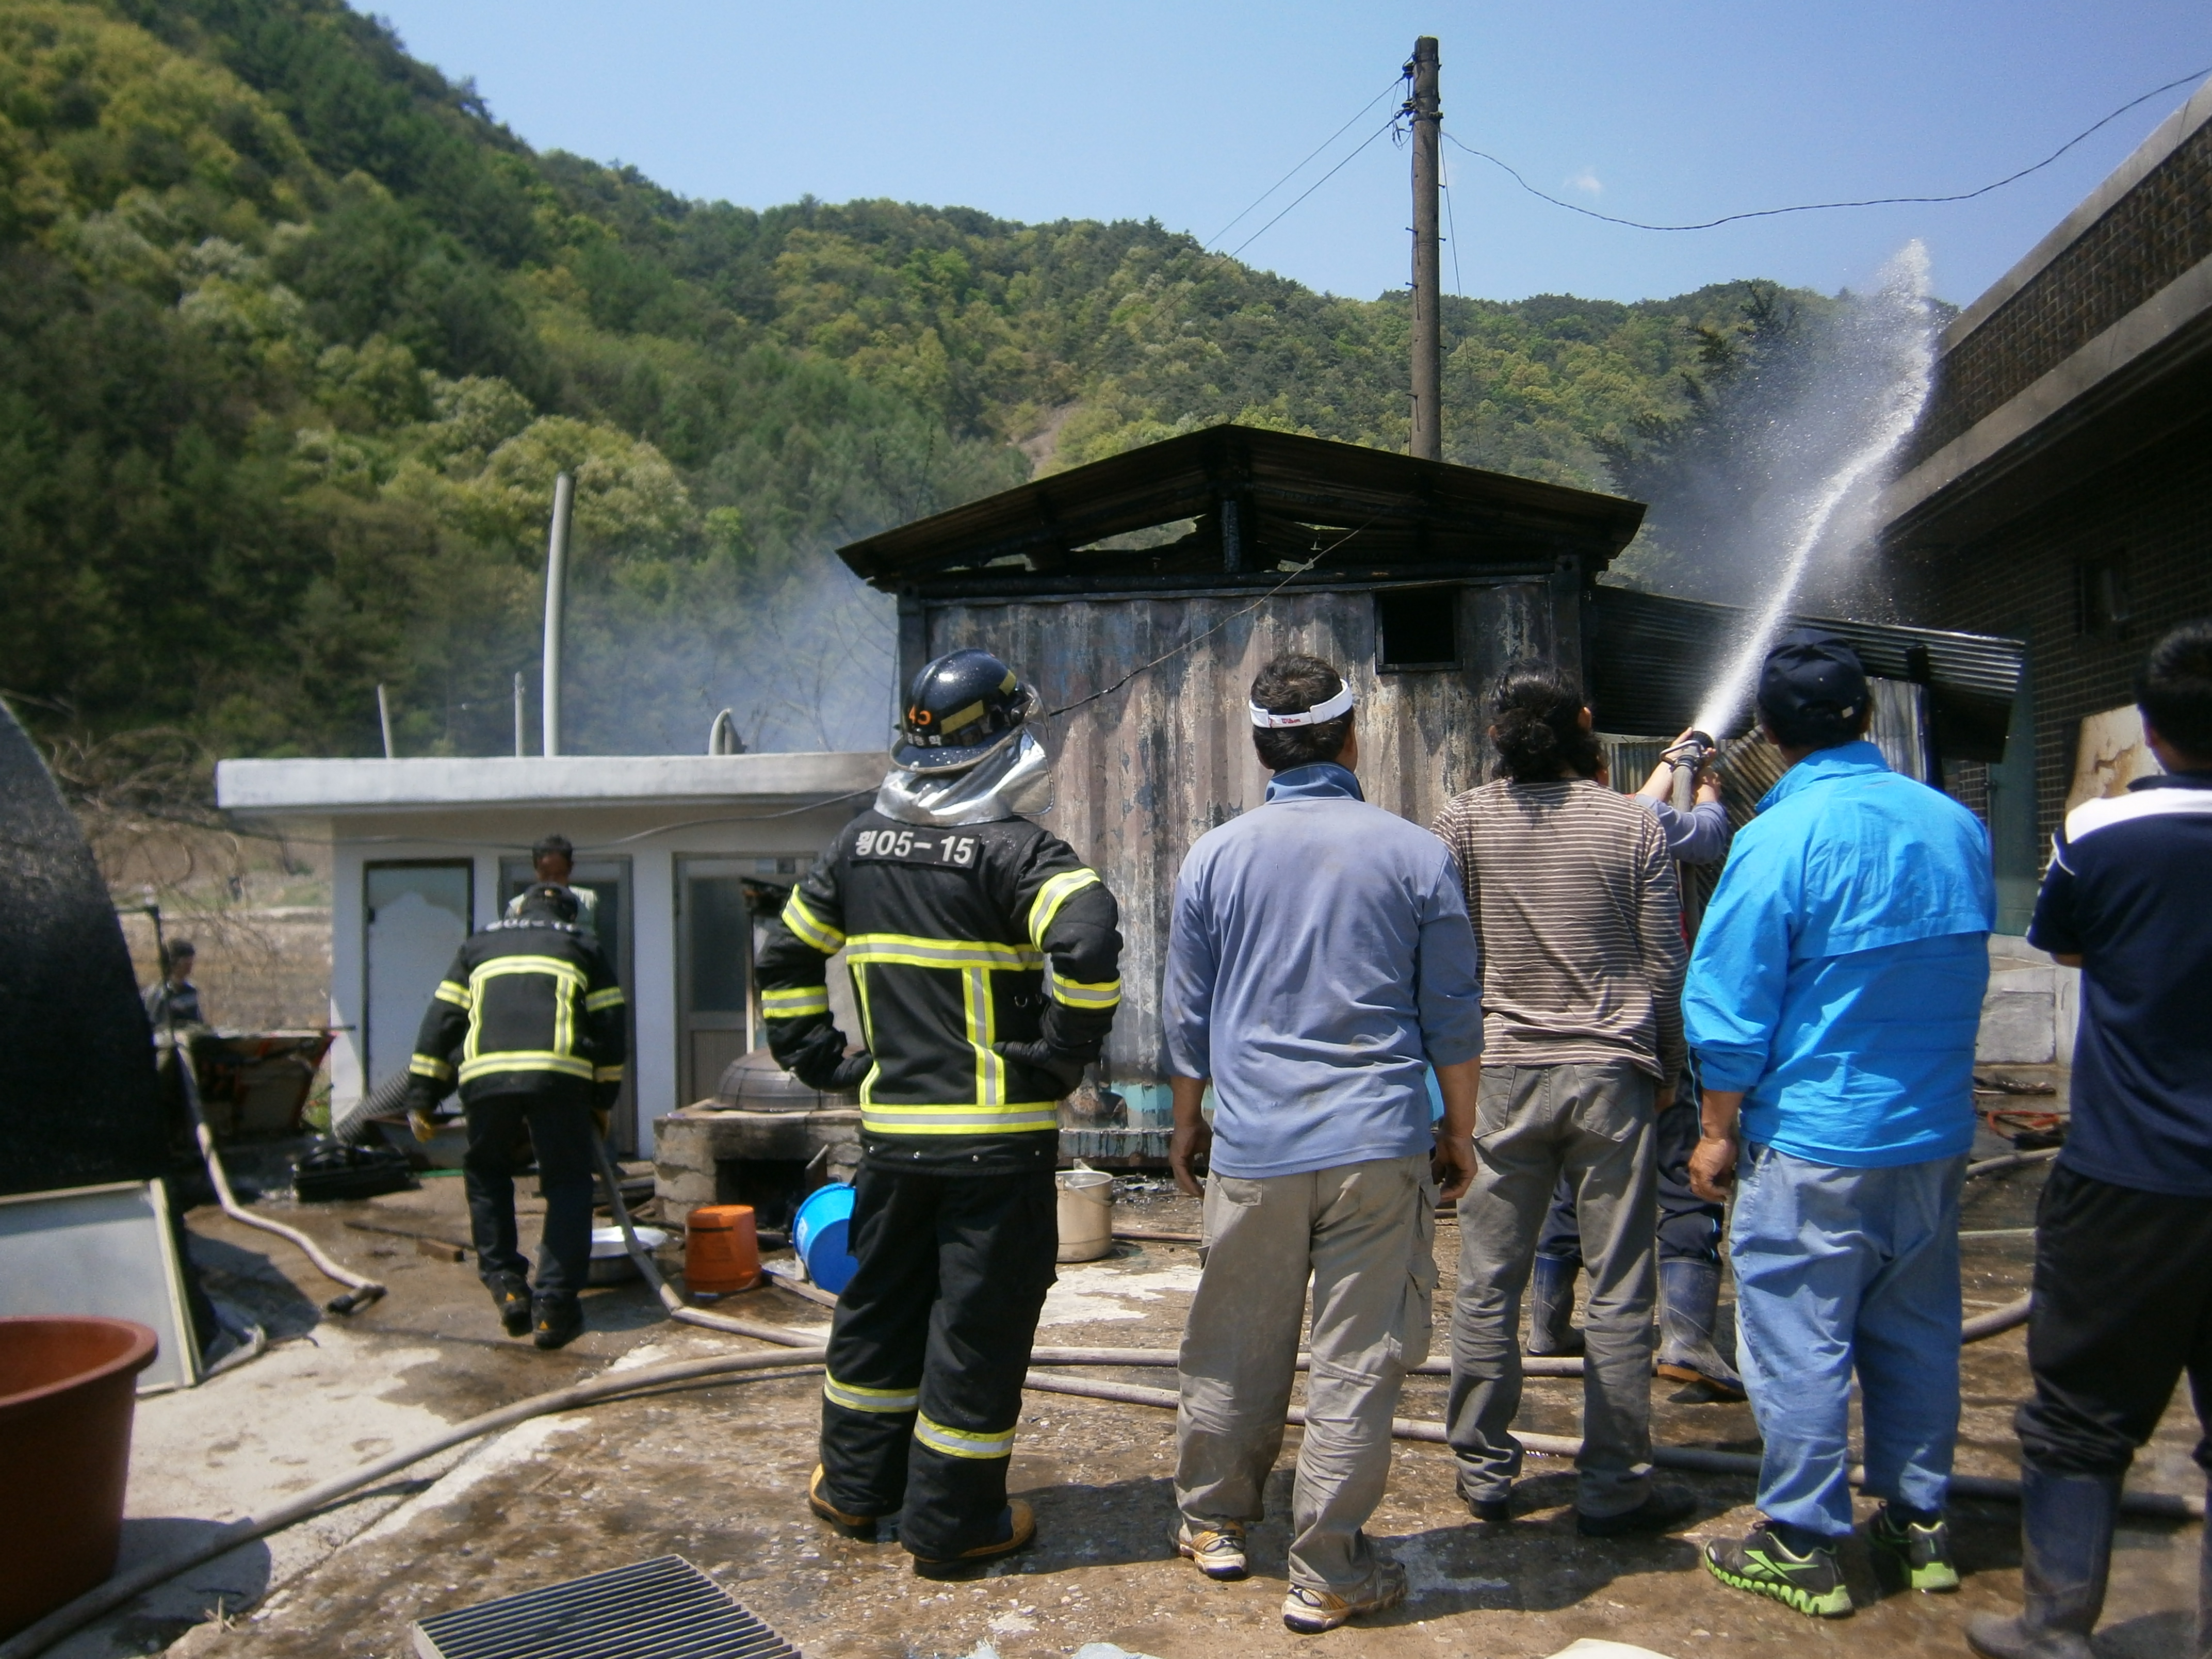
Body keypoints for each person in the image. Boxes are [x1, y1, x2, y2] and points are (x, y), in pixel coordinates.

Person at [759, 647, 1122, 1579]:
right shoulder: (1019, 853)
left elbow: (785, 954)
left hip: (891, 1146)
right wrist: (1060, 1057)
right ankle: (954, 1523)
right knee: (975, 1333)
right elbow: (1087, 940)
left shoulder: (855, 848)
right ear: (1003, 742)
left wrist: (820, 1059)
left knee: (878, 1313)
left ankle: (853, 1489)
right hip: (994, 1154)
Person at [1164, 653, 1484, 1635]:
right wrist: (1459, 1132)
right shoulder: (1414, 855)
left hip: (1254, 1145)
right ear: (1353, 738)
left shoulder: (1213, 858)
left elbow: (1188, 1015)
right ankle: (1326, 1571)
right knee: (1356, 1360)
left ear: (1262, 749)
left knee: (1233, 1341)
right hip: (1376, 1146)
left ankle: (1213, 1525)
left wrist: (1187, 1122)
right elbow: (1451, 1016)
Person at [1685, 630, 1994, 1619]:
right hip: (1932, 1132)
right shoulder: (1955, 826)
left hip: (1816, 1136)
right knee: (1916, 1332)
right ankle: (1918, 1523)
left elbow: (1729, 1004)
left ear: (1767, 734)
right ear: (1863, 716)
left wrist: (1715, 1130)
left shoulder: (1776, 838)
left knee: (1797, 1337)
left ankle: (1800, 1542)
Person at [1967, 620, 2212, 1659]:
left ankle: (2055, 1624)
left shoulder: (2098, 833)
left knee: (2078, 1413)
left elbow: (2062, 945)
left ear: (2149, 730)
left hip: (2127, 1179)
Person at [1430, 663, 1695, 1538]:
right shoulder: (1633, 822)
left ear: (1497, 737)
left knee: (1487, 1278)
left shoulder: (1463, 819)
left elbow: (1444, 959)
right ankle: (1614, 1486)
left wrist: (1447, 1084)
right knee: (1620, 1283)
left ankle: (1482, 1471)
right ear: (1584, 724)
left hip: (1502, 1073)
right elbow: (1665, 963)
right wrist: (1665, 1067)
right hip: (1612, 1074)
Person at [1528, 729, 1744, 1400]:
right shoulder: (1636, 825)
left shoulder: (1547, 826)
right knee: (1683, 1174)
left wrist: (1672, 764)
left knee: (1572, 1175)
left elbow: (1639, 804)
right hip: (1645, 1029)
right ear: (1597, 772)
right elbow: (1703, 837)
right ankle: (1687, 1339)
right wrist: (1707, 795)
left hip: (1570, 1040)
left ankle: (1545, 1325)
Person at [405, 882, 627, 1351]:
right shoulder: (582, 945)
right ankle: (553, 1310)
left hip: (486, 1079)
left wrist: (422, 1096)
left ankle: (506, 1284)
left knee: (487, 1173)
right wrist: (602, 1098)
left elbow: (442, 1020)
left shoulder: (478, 945)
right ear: (569, 917)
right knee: (567, 1182)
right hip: (558, 1077)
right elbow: (610, 1024)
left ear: (520, 910)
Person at [506, 833, 598, 929]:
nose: (552, 881)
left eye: (559, 874)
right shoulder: (517, 907)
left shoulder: (588, 901)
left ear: (570, 868)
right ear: (535, 868)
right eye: (545, 874)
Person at [143, 940, 206, 1029]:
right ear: (172, 963)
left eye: (191, 961)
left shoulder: (191, 990)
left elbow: (198, 1022)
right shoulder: (158, 993)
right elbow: (153, 1025)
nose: (190, 965)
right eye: (186, 962)